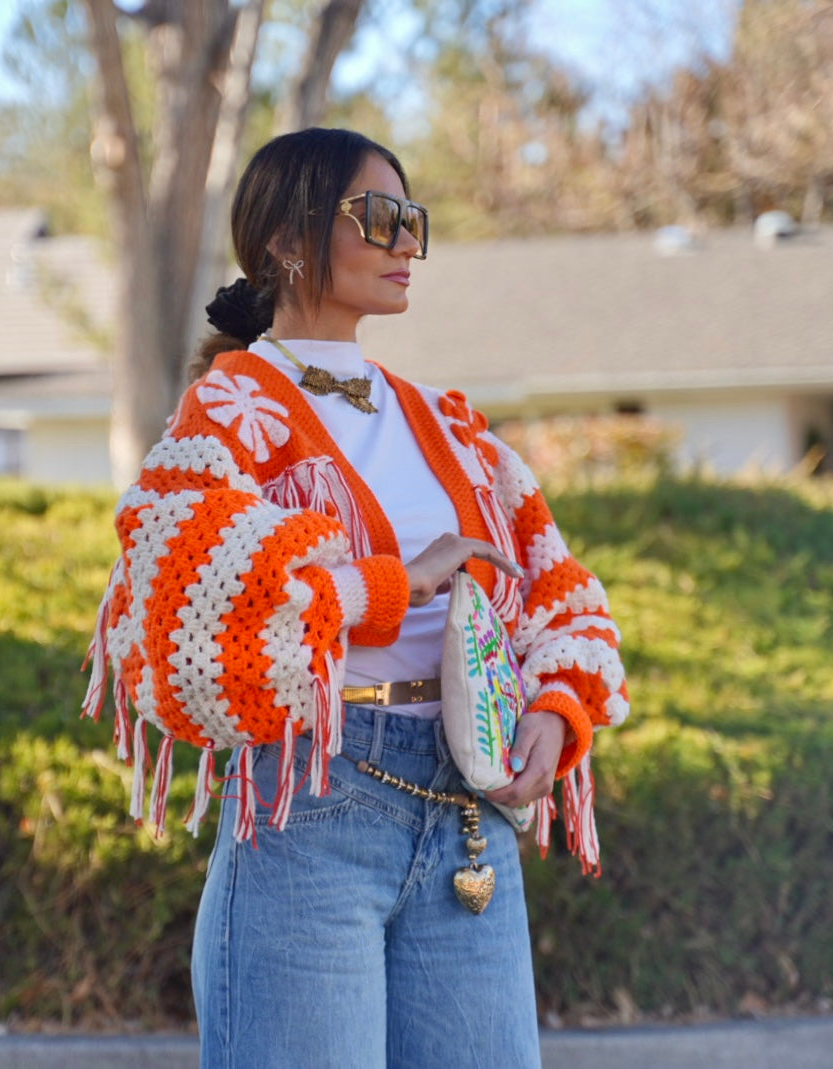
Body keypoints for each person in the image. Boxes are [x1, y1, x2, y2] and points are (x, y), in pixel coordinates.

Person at [83, 127, 629, 1069]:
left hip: (471, 815)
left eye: (413, 221)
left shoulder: (444, 422)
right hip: (311, 808)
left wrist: (556, 707)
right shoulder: (233, 406)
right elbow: (184, 605)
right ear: (289, 236)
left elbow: (557, 588)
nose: (406, 243)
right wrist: (396, 583)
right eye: (379, 218)